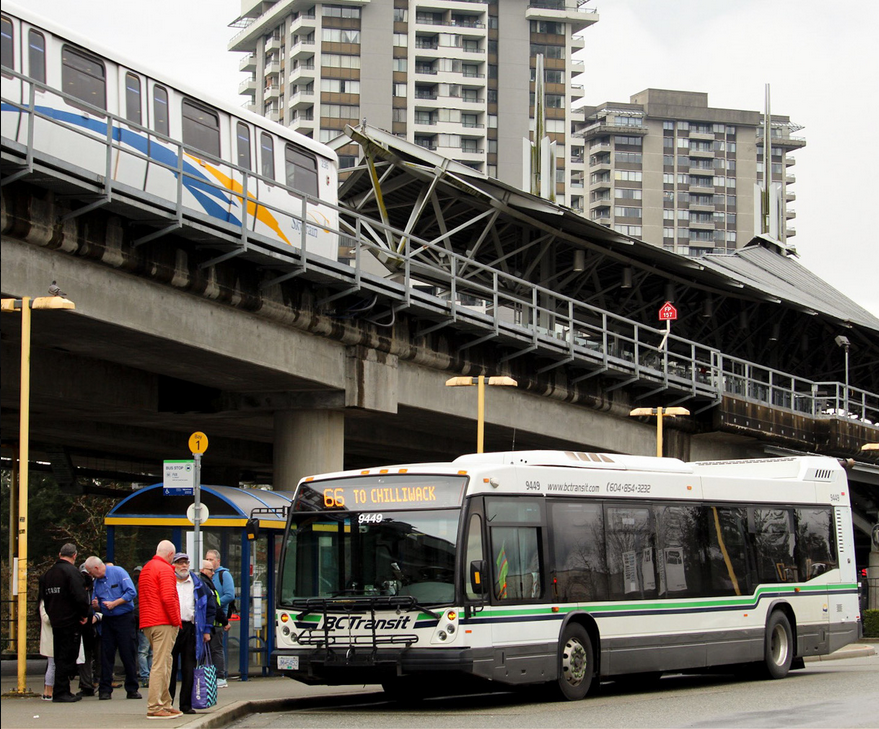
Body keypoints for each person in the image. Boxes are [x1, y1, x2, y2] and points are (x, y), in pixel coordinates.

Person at [84, 556, 141, 701]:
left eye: (91, 572)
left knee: (127, 653)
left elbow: (131, 593)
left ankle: (132, 688)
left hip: (124, 618)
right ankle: (105, 689)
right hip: (108, 620)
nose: (90, 576)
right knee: (106, 655)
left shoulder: (118, 572)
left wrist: (115, 603)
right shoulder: (97, 582)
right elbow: (97, 601)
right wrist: (96, 605)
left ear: (96, 568)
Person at [38, 543, 90, 702]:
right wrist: (84, 614)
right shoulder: (72, 573)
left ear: (60, 554)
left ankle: (60, 690)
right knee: (68, 656)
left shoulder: (48, 574)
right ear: (74, 555)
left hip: (56, 621)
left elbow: (44, 598)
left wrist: (53, 615)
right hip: (70, 621)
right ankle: (62, 691)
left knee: (59, 655)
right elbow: (80, 596)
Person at [139, 540, 181, 720]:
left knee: (165, 662)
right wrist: (176, 620)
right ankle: (155, 706)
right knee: (160, 664)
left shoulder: (147, 568)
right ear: (171, 555)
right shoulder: (165, 570)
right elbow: (168, 598)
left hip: (149, 621)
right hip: (163, 621)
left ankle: (165, 702)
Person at [168, 553, 215, 715]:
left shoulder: (198, 584)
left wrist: (207, 629)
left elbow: (210, 606)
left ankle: (186, 705)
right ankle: (168, 703)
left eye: (186, 563)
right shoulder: (169, 582)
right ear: (173, 565)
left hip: (192, 629)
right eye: (180, 563)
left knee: (189, 667)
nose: (183, 566)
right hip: (172, 628)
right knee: (170, 668)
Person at [206, 549, 233, 687]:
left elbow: (230, 595)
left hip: (218, 617)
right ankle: (210, 676)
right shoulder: (207, 576)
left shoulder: (224, 575)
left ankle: (220, 677)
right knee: (208, 649)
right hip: (210, 617)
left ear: (218, 561)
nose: (209, 562)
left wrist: (214, 605)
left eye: (211, 559)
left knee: (216, 647)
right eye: (207, 559)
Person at [198, 560, 228, 668]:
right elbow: (213, 605)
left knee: (209, 651)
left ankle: (204, 677)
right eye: (210, 570)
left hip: (211, 623)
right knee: (215, 651)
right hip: (212, 624)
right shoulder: (205, 584)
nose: (213, 573)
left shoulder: (207, 583)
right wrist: (224, 621)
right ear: (202, 570)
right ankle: (218, 677)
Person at [76, 563, 100, 697]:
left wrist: (98, 615)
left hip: (97, 626)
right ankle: (86, 684)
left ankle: (99, 681)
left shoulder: (98, 586)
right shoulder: (78, 589)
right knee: (85, 655)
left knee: (100, 655)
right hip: (84, 627)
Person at [133, 565, 153, 688]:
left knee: (148, 651)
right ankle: (146, 675)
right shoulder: (142, 586)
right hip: (145, 620)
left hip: (147, 620)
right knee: (145, 650)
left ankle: (148, 675)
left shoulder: (140, 586)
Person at [38, 598, 54, 701]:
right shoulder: (44, 602)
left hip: (50, 638)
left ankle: (48, 690)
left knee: (52, 665)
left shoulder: (45, 601)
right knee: (52, 665)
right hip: (50, 637)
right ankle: (49, 690)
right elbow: (46, 619)